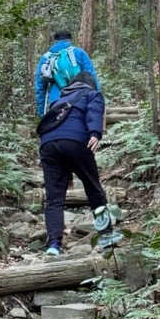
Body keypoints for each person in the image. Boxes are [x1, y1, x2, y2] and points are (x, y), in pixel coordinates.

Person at [35, 60, 119, 257]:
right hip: (76, 142)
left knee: (54, 198)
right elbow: (94, 113)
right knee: (94, 190)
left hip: (48, 145)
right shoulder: (93, 94)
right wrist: (95, 133)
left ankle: (53, 245)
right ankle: (107, 238)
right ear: (90, 84)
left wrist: (68, 175)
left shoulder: (58, 101)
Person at [35, 29, 101, 115]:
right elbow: (91, 76)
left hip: (56, 101)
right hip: (79, 99)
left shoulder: (46, 58)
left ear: (55, 41)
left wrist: (41, 112)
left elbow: (40, 87)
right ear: (70, 40)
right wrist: (97, 100)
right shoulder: (79, 53)